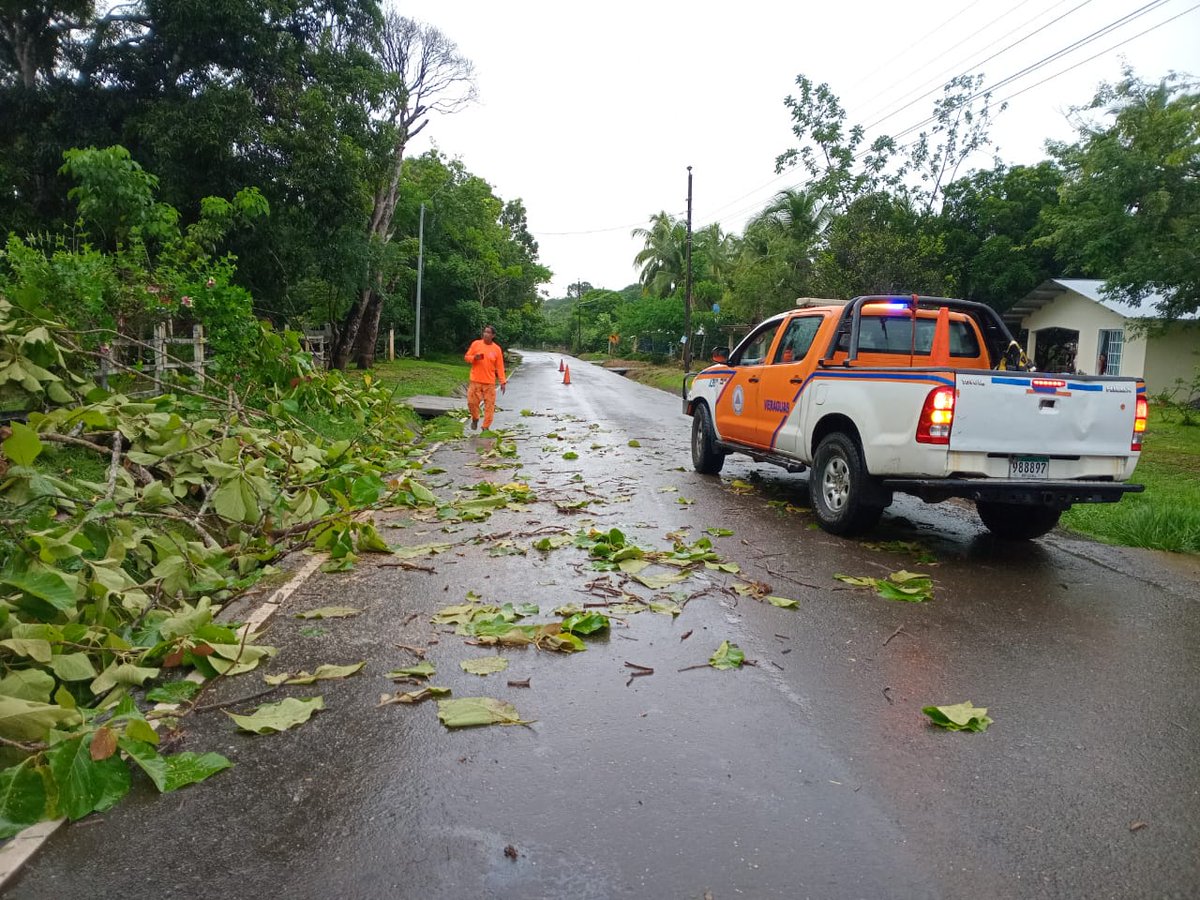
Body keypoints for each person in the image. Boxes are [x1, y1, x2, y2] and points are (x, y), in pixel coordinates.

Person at [463, 324, 507, 430]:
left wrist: (502, 381)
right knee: (471, 403)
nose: (486, 334)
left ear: (493, 335)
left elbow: (500, 366)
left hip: (489, 382)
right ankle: (475, 418)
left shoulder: (497, 349)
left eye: (488, 332)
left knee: (489, 406)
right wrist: (474, 358)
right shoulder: (476, 344)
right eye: (485, 332)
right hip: (475, 380)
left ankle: (485, 427)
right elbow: (467, 357)